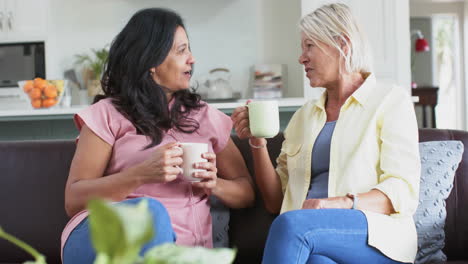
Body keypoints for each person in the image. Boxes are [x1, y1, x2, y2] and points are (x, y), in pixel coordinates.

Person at [61, 8, 254, 263]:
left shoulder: (205, 117)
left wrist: (213, 184)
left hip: (182, 254)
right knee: (151, 212)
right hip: (102, 239)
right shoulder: (106, 115)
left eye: (189, 49)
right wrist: (140, 174)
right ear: (151, 61)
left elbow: (246, 192)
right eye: (181, 50)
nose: (192, 59)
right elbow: (74, 200)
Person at [232, 3, 420, 264]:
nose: (301, 58)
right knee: (315, 259)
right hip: (310, 239)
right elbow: (275, 203)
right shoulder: (304, 117)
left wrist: (337, 203)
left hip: (376, 236)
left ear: (342, 44)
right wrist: (257, 142)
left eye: (309, 46)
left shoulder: (390, 101)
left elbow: (401, 191)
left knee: (294, 226)